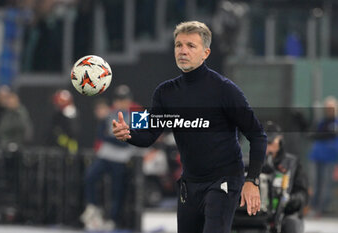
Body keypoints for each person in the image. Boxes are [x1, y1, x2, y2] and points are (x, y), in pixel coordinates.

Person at [112, 21, 267, 233]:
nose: (183, 51)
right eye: (178, 45)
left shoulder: (225, 90)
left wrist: (252, 181)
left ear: (206, 53)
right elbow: (149, 135)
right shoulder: (164, 92)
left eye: (191, 46)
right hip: (190, 183)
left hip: (224, 180)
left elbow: (258, 135)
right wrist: (128, 133)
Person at [81, 85, 136, 231]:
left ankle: (113, 219)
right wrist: (120, 138)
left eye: (124, 99)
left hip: (121, 159)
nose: (121, 102)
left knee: (116, 190)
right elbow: (101, 135)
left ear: (129, 100)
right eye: (118, 99)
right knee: (90, 176)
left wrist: (115, 137)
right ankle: (93, 207)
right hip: (105, 155)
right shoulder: (110, 113)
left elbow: (136, 139)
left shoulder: (137, 114)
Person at [264, 121, 309, 233]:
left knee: (291, 223)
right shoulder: (251, 163)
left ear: (280, 140)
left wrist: (289, 200)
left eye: (270, 142)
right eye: (263, 142)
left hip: (283, 213)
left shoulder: (293, 163)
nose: (267, 146)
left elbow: (302, 194)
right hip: (255, 213)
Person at [308, 96, 338, 216]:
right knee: (315, 183)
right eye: (327, 108)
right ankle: (314, 207)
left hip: (330, 158)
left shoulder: (335, 123)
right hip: (317, 156)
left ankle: (322, 208)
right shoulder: (321, 122)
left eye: (331, 108)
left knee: (326, 184)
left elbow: (328, 135)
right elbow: (314, 134)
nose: (329, 110)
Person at [46, 89, 79, 154]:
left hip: (70, 147)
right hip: (57, 147)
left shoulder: (71, 114)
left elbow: (74, 132)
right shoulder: (57, 115)